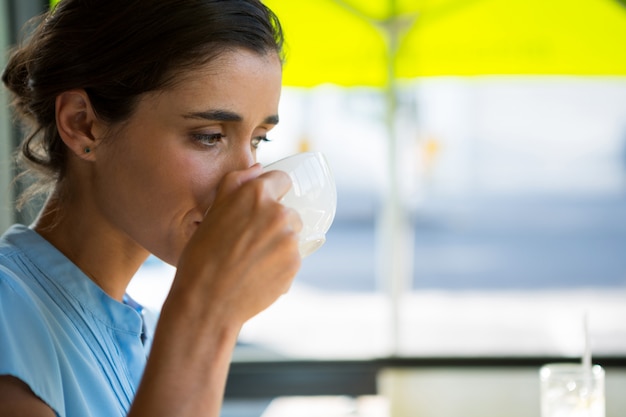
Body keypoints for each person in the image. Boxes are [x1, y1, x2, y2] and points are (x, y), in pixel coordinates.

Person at [0, 0, 303, 416]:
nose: (246, 180)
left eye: (258, 140)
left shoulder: (140, 334)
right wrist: (207, 313)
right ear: (82, 124)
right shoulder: (7, 316)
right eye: (210, 136)